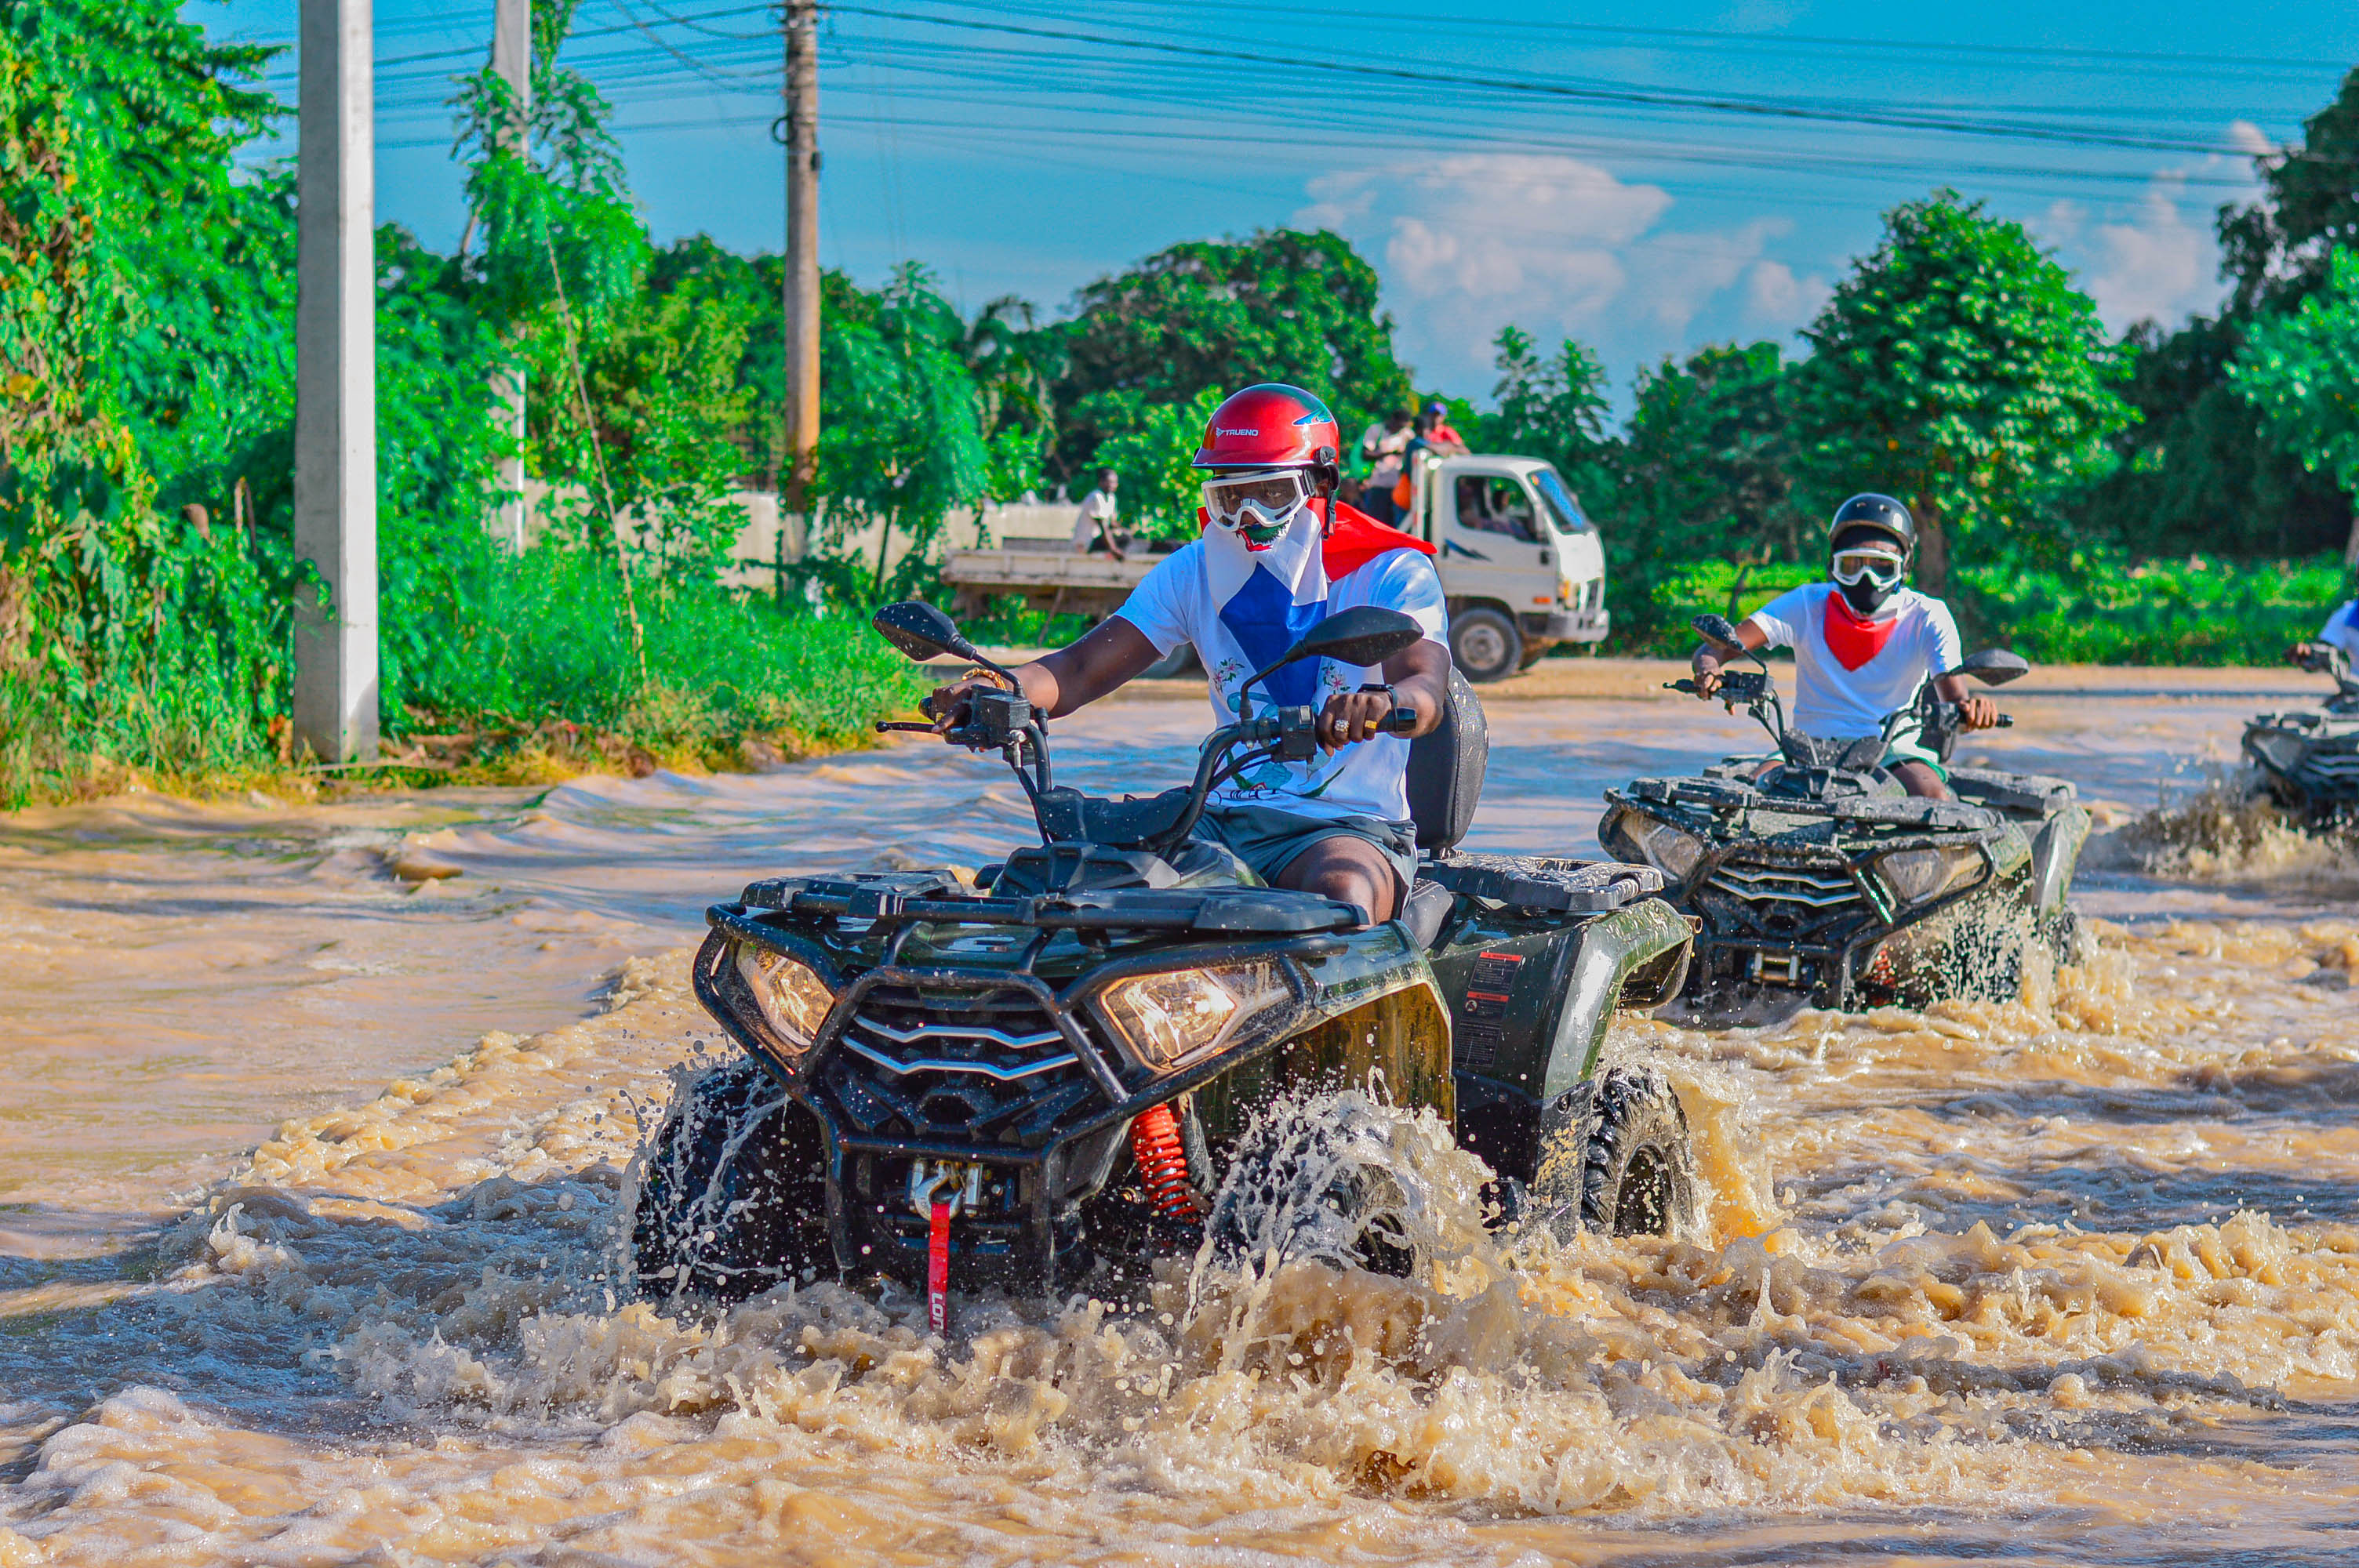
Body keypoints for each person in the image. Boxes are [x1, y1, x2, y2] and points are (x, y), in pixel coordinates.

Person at [929, 383, 1452, 925]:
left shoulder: (1389, 570)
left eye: (1269, 494)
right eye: (1230, 498)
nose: (1246, 518)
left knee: (1340, 895)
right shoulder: (1193, 571)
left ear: (1321, 482)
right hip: (1219, 817)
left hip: (1346, 825)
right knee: (1084, 886)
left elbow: (1425, 684)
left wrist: (1386, 704)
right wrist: (999, 690)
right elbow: (1078, 670)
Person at [1692, 494, 1997, 800]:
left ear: (1905, 567)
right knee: (1750, 797)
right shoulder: (1806, 604)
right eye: (1851, 565)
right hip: (1807, 747)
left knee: (1934, 799)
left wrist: (1971, 709)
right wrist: (1709, 671)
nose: (1867, 579)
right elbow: (1717, 646)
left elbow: (1955, 698)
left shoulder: (1927, 615)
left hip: (1893, 750)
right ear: (1832, 565)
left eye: (1883, 567)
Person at [1358, 410, 1412, 525]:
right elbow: (1366, 454)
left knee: (1395, 526)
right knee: (1376, 523)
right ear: (1393, 420)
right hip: (1377, 485)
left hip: (1397, 488)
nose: (1399, 429)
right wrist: (1389, 453)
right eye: (1399, 426)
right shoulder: (1376, 430)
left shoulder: (1406, 434)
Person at [1070, 467, 1125, 557]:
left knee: (1125, 536)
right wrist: (1113, 549)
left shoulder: (1112, 498)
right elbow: (1102, 525)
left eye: (1114, 482)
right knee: (1119, 537)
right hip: (1087, 542)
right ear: (1101, 482)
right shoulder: (1096, 497)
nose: (1112, 485)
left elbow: (1112, 524)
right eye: (1109, 482)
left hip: (1099, 538)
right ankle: (1111, 553)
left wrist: (1126, 529)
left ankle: (1110, 554)